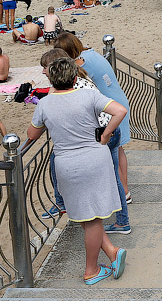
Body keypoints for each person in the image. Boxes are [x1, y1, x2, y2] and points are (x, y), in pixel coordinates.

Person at [25, 57, 127, 284]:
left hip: (67, 164)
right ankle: (102, 261)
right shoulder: (88, 95)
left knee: (86, 215)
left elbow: (32, 134)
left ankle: (96, 266)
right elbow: (120, 111)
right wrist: (106, 134)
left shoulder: (45, 104)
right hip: (95, 158)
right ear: (74, 78)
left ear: (52, 79)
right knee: (91, 216)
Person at [55, 33, 134, 212]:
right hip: (118, 102)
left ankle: (122, 193)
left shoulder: (80, 66)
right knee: (119, 150)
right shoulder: (91, 54)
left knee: (113, 155)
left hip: (111, 110)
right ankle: (125, 190)